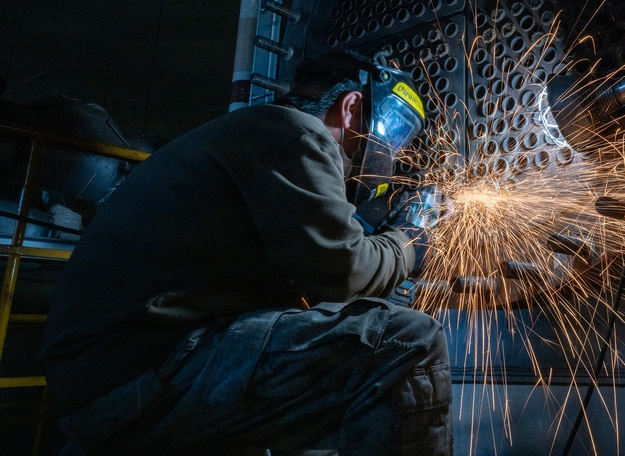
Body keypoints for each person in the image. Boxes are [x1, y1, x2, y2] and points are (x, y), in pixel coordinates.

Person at [40, 51, 452, 455]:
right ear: (351, 106)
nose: (393, 152)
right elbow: (343, 270)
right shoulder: (297, 132)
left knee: (328, 378)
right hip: (136, 377)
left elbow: (314, 287)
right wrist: (412, 238)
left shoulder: (253, 136)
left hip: (105, 378)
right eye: (395, 131)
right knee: (405, 342)